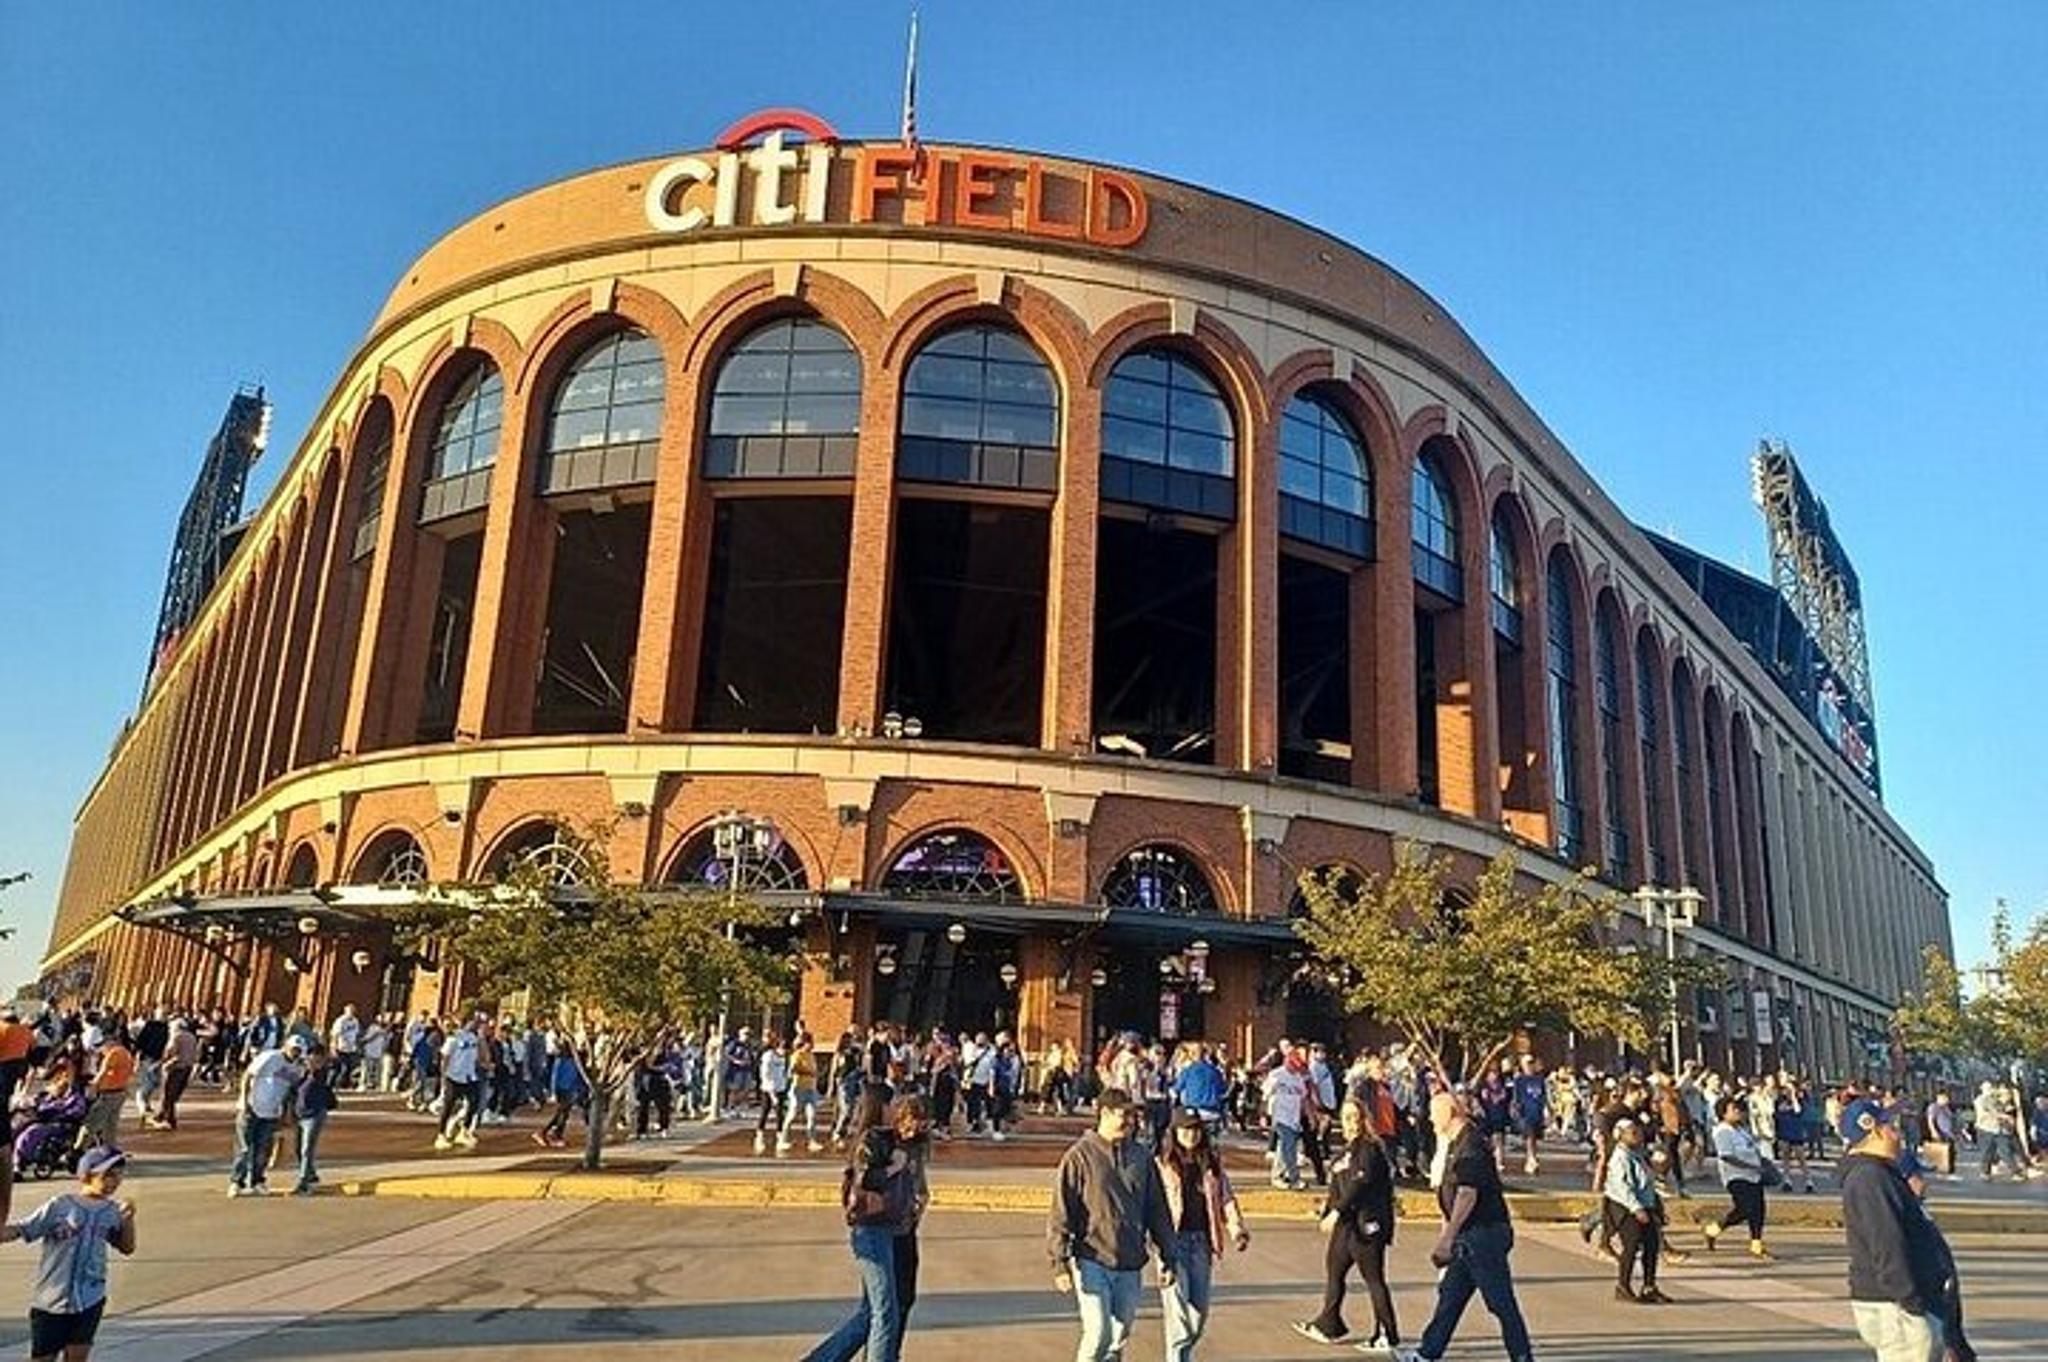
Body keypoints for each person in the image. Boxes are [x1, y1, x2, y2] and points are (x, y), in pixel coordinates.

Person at [1048, 1089, 1180, 1362]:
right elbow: (1061, 1211)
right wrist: (1059, 1262)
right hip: (1092, 1258)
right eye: (1124, 1115)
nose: (1131, 1121)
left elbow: (1157, 1210)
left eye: (1133, 1115)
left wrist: (1168, 1254)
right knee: (1098, 1334)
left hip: (1130, 1262)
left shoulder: (1142, 1158)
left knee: (1118, 1337)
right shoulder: (1079, 1156)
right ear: (1105, 1114)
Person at [1404, 1091, 1535, 1362]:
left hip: (1483, 1234)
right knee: (1450, 1298)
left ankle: (1522, 1357)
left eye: (1433, 1112)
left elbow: (1467, 1194)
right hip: (1468, 1238)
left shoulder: (1471, 1144)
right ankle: (1427, 1353)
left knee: (1500, 1303)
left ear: (1450, 1113)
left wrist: (1446, 1238)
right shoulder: (1455, 1143)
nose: (1429, 1118)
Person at [801, 1091, 927, 1362]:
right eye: (892, 1105)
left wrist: (918, 1202)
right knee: (884, 1312)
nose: (897, 1112)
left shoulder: (910, 1143)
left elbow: (917, 1183)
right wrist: (894, 1168)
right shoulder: (874, 1140)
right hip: (874, 1229)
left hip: (899, 1228)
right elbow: (866, 1181)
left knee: (878, 1311)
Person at [2, 1145, 137, 1361]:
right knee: (43, 1357)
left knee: (77, 1356)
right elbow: (23, 1229)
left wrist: (128, 1221)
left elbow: (127, 1247)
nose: (115, 1181)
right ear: (87, 1175)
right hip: (51, 1302)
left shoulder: (112, 1212)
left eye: (119, 1175)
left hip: (90, 1299)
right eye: (108, 1175)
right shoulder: (60, 1206)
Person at [1839, 1097, 1948, 1362]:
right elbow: (1886, 1242)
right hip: (1894, 1306)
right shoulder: (1870, 1178)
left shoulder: (1880, 1173)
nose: (1897, 1133)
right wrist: (1911, 1302)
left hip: (1900, 1303)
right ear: (1874, 1130)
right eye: (1890, 1126)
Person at [1295, 1096, 1400, 1352]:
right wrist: (1326, 1211)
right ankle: (1329, 1324)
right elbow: (1337, 1189)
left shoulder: (1369, 1149)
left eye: (1356, 1117)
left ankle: (1386, 1334)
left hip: (1367, 1225)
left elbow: (1359, 1185)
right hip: (1346, 1226)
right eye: (1347, 1117)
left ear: (1364, 1120)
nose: (1351, 1123)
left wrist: (1337, 1212)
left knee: (1373, 1278)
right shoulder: (1344, 1153)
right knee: (1335, 1270)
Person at [1153, 1108, 1248, 1360]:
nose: (1191, 1134)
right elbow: (1151, 1204)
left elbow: (1225, 1198)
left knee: (1198, 1313)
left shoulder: (1211, 1162)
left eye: (1196, 1129)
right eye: (1185, 1129)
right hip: (1171, 1244)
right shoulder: (1161, 1164)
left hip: (1202, 1243)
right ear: (1174, 1132)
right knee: (1178, 1315)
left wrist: (1237, 1229)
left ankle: (1184, 1353)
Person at [1603, 1117, 1670, 1304]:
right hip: (1625, 1207)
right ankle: (1623, 1286)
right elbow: (1621, 1187)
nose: (1637, 1135)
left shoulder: (1637, 1154)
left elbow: (1648, 1181)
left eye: (1638, 1132)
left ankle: (1649, 1286)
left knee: (1652, 1245)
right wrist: (1636, 1208)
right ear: (1620, 1135)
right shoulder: (1620, 1157)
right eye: (1632, 1132)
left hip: (1645, 1205)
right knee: (1631, 1246)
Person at [231, 1035, 306, 1197]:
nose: (295, 1053)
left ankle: (257, 1181)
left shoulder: (297, 1068)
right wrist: (244, 1100)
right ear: (286, 1046)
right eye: (293, 1049)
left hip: (271, 1113)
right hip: (252, 1107)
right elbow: (248, 1075)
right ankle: (237, 1181)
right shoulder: (270, 1057)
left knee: (263, 1150)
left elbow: (291, 1093)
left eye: (298, 1051)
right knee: (244, 1148)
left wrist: (286, 1114)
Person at [1705, 1095, 1773, 1259]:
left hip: (1754, 1175)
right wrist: (1749, 1166)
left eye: (1738, 1109)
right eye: (1733, 1110)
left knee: (1758, 1209)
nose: (1738, 1112)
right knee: (1745, 1208)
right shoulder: (1722, 1131)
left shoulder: (1741, 1130)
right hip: (1736, 1176)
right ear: (1723, 1113)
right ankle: (1713, 1229)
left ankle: (1756, 1243)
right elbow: (1727, 1156)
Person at [292, 1047, 339, 1195]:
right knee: (299, 1149)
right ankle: (311, 1174)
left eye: (317, 1059)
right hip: (300, 1114)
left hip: (315, 1114)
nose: (312, 1062)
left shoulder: (324, 1073)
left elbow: (335, 1068)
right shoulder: (302, 1073)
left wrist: (319, 1066)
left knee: (307, 1149)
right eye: (311, 1058)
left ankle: (304, 1182)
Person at [1263, 1050, 1310, 1189]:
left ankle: (1277, 1175)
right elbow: (1265, 1095)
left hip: (1293, 1118)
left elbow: (1304, 1099)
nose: (1296, 1069)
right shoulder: (1276, 1075)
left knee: (1283, 1147)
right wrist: (1264, 1115)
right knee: (1288, 1146)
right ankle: (1294, 1178)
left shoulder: (1298, 1078)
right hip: (1280, 1116)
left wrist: (1309, 1116)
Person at [1509, 1056, 1548, 1177]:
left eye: (1532, 1062)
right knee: (1529, 1136)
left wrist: (1548, 1111)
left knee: (1534, 1138)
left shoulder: (1540, 1079)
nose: (1530, 1065)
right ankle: (1532, 1159)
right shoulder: (1519, 1080)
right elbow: (1516, 1097)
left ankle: (1531, 1159)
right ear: (1522, 1065)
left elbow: (1544, 1096)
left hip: (1537, 1112)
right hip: (1525, 1113)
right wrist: (1515, 1109)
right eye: (1527, 1063)